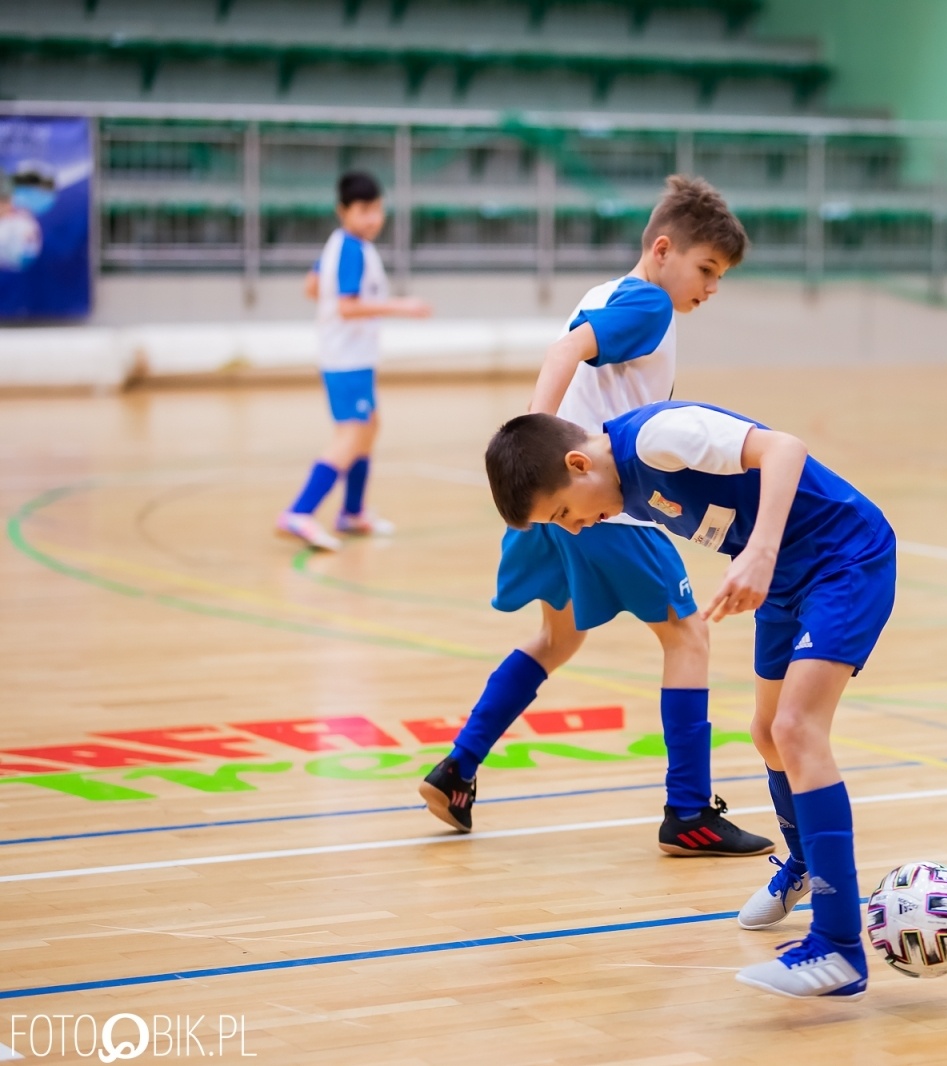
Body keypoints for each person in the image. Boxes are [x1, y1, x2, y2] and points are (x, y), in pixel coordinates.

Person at [485, 399, 897, 999]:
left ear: (579, 464)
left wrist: (757, 550)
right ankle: (810, 863)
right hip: (785, 580)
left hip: (843, 558)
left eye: (563, 514)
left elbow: (784, 447)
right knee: (767, 733)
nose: (574, 528)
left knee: (797, 729)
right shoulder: (620, 488)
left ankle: (839, 948)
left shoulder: (657, 438)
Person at [419, 177, 772, 862]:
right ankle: (690, 810)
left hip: (562, 505)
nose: (711, 287)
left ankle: (458, 770)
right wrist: (531, 440)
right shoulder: (648, 304)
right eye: (706, 269)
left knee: (556, 639)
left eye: (720, 277)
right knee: (688, 636)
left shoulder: (603, 294)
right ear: (664, 249)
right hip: (601, 501)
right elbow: (563, 357)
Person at [277, 170, 430, 552]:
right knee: (353, 434)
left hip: (348, 355)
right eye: (363, 210)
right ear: (343, 210)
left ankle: (352, 511)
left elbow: (312, 286)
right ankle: (300, 511)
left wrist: (333, 311)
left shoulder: (341, 244)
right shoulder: (351, 249)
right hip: (346, 359)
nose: (373, 218)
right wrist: (400, 306)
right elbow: (346, 307)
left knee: (369, 425)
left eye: (377, 209)